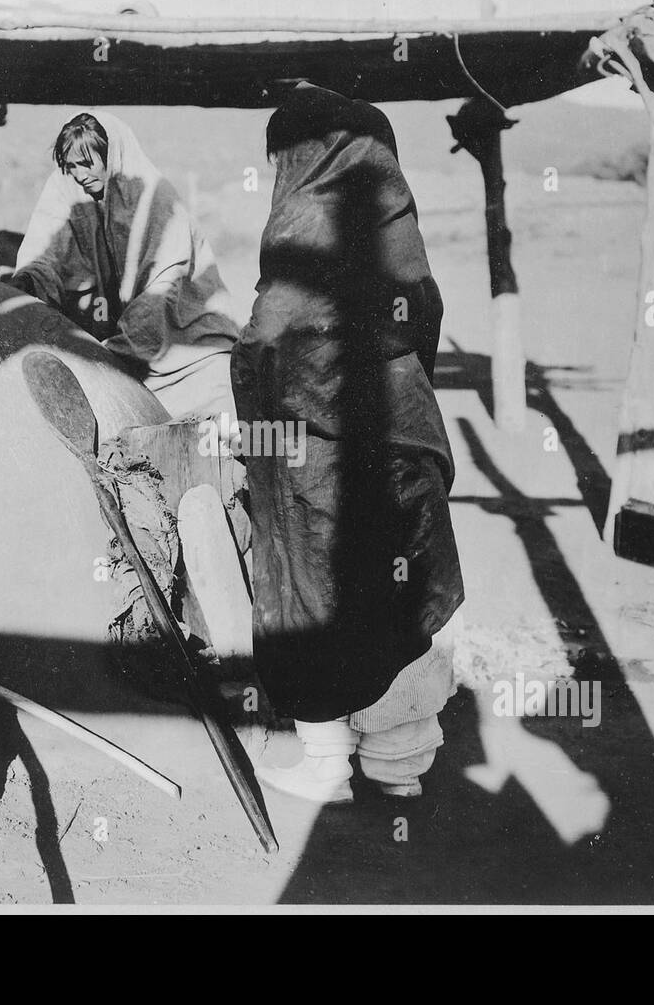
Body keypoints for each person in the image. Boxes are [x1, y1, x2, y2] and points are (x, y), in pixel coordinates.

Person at [231, 84, 465, 802]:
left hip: (318, 457)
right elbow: (417, 323)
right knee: (398, 589)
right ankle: (400, 766)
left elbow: (272, 343)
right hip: (402, 436)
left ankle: (327, 764)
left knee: (316, 592)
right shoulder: (395, 223)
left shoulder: (301, 223)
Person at [10, 110, 244, 420]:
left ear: (112, 156)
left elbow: (163, 288)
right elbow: (48, 252)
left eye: (87, 163)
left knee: (215, 429)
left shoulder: (156, 200)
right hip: (123, 353)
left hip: (189, 352)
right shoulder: (72, 191)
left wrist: (112, 350)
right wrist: (26, 284)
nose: (79, 175)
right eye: (71, 166)